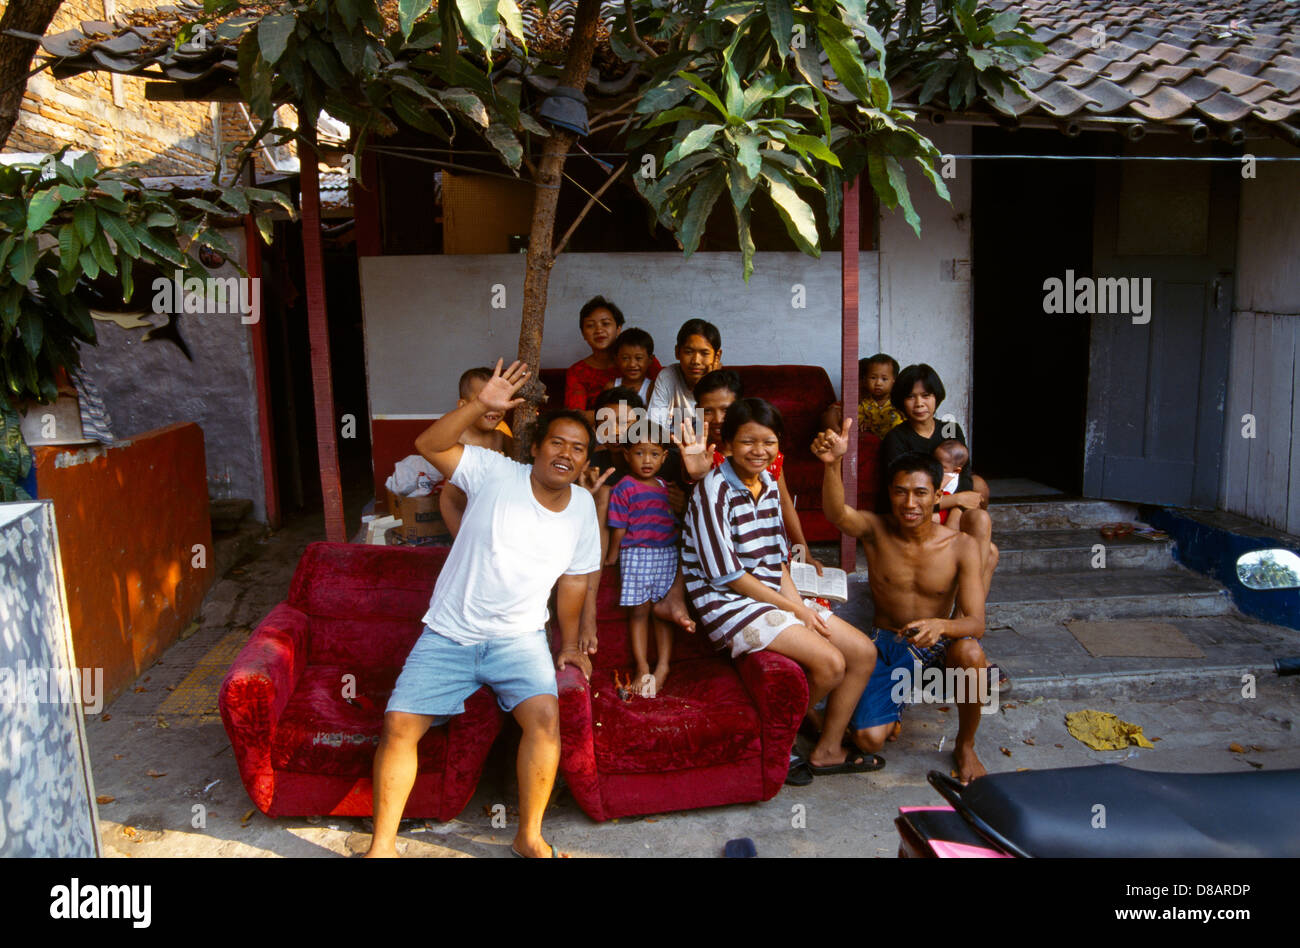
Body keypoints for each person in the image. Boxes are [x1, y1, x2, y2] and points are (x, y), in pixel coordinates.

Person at [365, 360, 603, 859]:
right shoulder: (494, 470)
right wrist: (481, 406)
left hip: (520, 640)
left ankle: (528, 836)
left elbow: (575, 580)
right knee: (398, 726)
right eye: (557, 442)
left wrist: (572, 644)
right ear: (535, 447)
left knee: (544, 720)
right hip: (450, 632)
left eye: (578, 449)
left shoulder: (582, 507)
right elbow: (428, 446)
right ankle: (382, 847)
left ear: (583, 463)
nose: (567, 454)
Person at [682, 397, 879, 784]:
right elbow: (728, 576)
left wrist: (800, 605)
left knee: (862, 652)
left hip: (768, 592)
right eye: (748, 442)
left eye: (768, 442)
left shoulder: (770, 483)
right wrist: (799, 613)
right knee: (830, 663)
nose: (759, 451)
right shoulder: (713, 490)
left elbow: (778, 561)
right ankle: (778, 741)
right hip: (727, 602)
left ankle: (827, 749)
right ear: (728, 444)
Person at [817, 423, 992, 784]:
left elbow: (975, 622)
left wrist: (941, 625)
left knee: (972, 655)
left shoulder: (960, 546)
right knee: (867, 741)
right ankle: (891, 707)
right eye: (900, 492)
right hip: (890, 643)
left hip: (938, 646)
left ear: (938, 493)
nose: (909, 503)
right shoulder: (876, 530)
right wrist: (832, 464)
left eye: (919, 493)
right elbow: (838, 514)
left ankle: (966, 744)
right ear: (890, 493)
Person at [879, 363, 997, 598]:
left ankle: (964, 624)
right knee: (989, 553)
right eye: (911, 397)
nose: (920, 403)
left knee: (982, 511)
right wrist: (956, 502)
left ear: (936, 397)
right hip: (919, 512)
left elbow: (964, 476)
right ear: (902, 401)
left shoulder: (950, 430)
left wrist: (957, 506)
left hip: (950, 509)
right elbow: (902, 492)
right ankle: (965, 620)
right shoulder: (897, 438)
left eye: (926, 395)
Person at [691, 369, 826, 575]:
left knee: (813, 599)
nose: (718, 419)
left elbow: (785, 503)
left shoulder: (762, 455)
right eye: (708, 411)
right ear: (697, 411)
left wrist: (803, 553)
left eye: (726, 410)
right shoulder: (694, 453)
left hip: (767, 551)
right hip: (724, 557)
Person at [605, 430, 678, 695]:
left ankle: (664, 665)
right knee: (639, 613)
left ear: (664, 457)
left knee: (661, 612)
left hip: (667, 554)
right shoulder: (624, 486)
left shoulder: (663, 486)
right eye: (639, 452)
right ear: (627, 455)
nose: (646, 459)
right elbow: (619, 527)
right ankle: (642, 666)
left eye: (654, 453)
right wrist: (613, 556)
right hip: (636, 554)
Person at [439, 367, 515, 537]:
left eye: (499, 399)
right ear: (463, 406)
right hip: (461, 507)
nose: (494, 407)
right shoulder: (458, 436)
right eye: (485, 400)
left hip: (491, 510)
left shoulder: (500, 437)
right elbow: (450, 497)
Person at [564, 296, 659, 421]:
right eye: (590, 325)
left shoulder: (644, 362)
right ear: (583, 334)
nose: (599, 330)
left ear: (618, 328)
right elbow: (575, 416)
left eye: (606, 323)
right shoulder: (577, 371)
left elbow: (665, 399)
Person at [646, 318, 721, 431]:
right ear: (677, 352)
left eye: (704, 353)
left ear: (717, 356)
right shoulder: (668, 376)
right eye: (688, 352)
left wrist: (710, 385)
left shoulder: (725, 386)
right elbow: (654, 429)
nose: (696, 361)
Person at [821, 354, 904, 440]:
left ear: (894, 381)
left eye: (884, 379)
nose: (878, 383)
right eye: (873, 378)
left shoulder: (897, 400)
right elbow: (850, 419)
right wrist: (863, 423)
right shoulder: (865, 404)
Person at [607, 327, 656, 404]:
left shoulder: (651, 388)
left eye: (638, 358)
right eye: (625, 358)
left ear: (650, 360)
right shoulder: (611, 386)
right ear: (616, 359)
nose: (632, 364)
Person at [932, 439, 973, 528]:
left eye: (942, 466)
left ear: (956, 470)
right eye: (935, 462)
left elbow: (934, 491)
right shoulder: (951, 473)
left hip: (945, 509)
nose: (936, 467)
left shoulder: (946, 476)